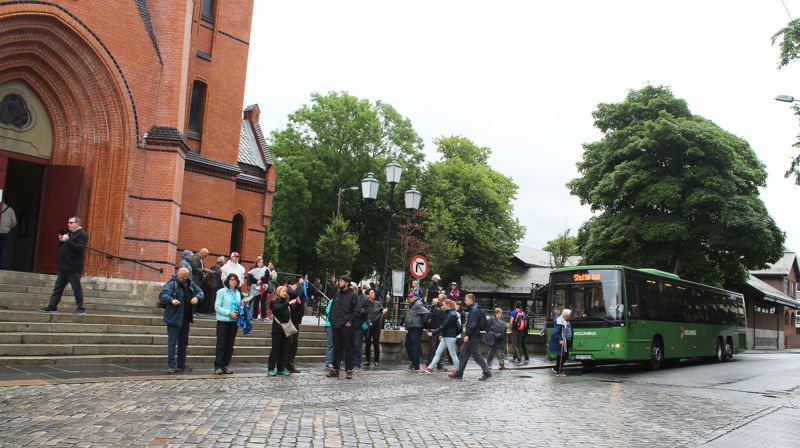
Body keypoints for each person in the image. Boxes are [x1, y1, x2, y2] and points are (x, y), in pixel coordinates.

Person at [40, 216, 88, 315]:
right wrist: (62, 240)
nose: (68, 224)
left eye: (71, 223)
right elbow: (63, 246)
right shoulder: (70, 233)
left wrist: (68, 240)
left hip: (73, 266)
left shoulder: (82, 234)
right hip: (63, 265)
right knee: (58, 287)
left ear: (77, 224)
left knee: (76, 288)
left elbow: (79, 248)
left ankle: (81, 307)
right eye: (68, 223)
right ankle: (52, 306)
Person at [159, 267, 203, 374]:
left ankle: (182, 364)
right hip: (174, 318)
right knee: (172, 342)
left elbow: (200, 292)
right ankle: (172, 365)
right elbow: (162, 295)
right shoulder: (172, 284)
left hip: (186, 318)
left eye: (184, 277)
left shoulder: (190, 283)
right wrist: (171, 300)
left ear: (188, 276)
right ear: (177, 274)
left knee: (183, 343)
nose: (182, 279)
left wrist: (197, 297)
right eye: (180, 276)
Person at [450, 293, 491, 381]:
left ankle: (486, 372)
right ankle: (459, 373)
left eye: (466, 299)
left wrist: (467, 335)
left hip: (472, 336)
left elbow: (472, 324)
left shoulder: (474, 310)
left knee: (476, 355)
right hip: (473, 335)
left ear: (470, 300)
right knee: (463, 354)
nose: (465, 301)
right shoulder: (475, 308)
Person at [327, 275, 358, 379]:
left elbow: (356, 310)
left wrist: (350, 321)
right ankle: (336, 369)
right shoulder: (337, 294)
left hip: (347, 326)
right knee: (337, 348)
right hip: (336, 325)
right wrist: (331, 320)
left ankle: (349, 369)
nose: (339, 283)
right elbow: (333, 307)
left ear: (346, 283)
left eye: (341, 281)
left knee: (348, 348)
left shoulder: (353, 295)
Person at [421, 299, 461, 374]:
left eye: (444, 305)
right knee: (438, 352)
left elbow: (443, 326)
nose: (443, 306)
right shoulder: (451, 313)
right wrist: (442, 335)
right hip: (447, 336)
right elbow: (446, 326)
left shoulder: (450, 314)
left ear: (448, 305)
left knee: (452, 354)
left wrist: (433, 333)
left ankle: (458, 371)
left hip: (449, 336)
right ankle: (429, 368)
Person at [214, 273, 242, 375]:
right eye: (232, 280)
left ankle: (226, 365)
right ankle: (218, 366)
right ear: (228, 281)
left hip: (234, 321)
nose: (234, 282)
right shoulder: (221, 292)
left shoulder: (237, 293)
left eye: (235, 280)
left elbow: (238, 305)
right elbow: (217, 307)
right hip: (223, 320)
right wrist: (229, 313)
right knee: (221, 343)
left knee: (230, 344)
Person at [267, 285, 298, 376]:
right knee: (275, 349)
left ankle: (281, 368)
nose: (285, 293)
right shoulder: (274, 302)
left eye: (285, 292)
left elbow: (295, 313)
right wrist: (288, 304)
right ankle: (271, 368)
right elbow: (278, 309)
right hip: (277, 329)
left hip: (286, 329)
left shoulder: (287, 303)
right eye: (283, 291)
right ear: (278, 292)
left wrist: (298, 304)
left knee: (284, 349)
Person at [403, 289, 430, 371]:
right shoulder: (414, 304)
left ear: (415, 297)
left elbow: (427, 313)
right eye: (409, 297)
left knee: (414, 347)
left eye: (411, 297)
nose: (409, 298)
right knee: (408, 345)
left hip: (416, 328)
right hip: (411, 328)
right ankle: (414, 363)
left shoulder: (418, 304)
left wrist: (423, 324)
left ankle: (415, 365)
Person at [285, 276, 307, 373]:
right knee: (289, 343)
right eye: (301, 285)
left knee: (294, 344)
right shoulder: (289, 290)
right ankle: (284, 364)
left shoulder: (298, 291)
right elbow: (298, 294)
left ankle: (290, 364)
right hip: (290, 321)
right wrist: (301, 284)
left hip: (296, 321)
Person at [364, 288, 387, 368]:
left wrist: (384, 311)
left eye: (374, 292)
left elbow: (382, 311)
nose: (374, 293)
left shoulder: (378, 303)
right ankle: (367, 360)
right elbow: (363, 313)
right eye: (372, 292)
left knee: (376, 343)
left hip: (376, 326)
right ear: (368, 295)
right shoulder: (365, 303)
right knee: (367, 343)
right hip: (367, 326)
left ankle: (376, 361)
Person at [549, 308, 573, 375]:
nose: (570, 316)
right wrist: (560, 340)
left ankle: (556, 368)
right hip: (561, 342)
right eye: (569, 315)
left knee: (565, 356)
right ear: (565, 316)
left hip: (566, 341)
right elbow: (555, 333)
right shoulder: (559, 322)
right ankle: (558, 371)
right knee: (561, 356)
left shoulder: (566, 321)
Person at [425, 294, 446, 370]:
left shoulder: (445, 308)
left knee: (441, 348)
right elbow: (429, 317)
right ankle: (429, 364)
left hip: (441, 329)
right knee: (432, 348)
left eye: (441, 300)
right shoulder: (433, 307)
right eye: (439, 299)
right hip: (434, 328)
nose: (439, 301)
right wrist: (428, 327)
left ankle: (440, 364)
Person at [0, 199, 17, 269]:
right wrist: (8, 227)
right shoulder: (10, 209)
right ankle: (1, 265)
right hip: (5, 232)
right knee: (3, 248)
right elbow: (14, 222)